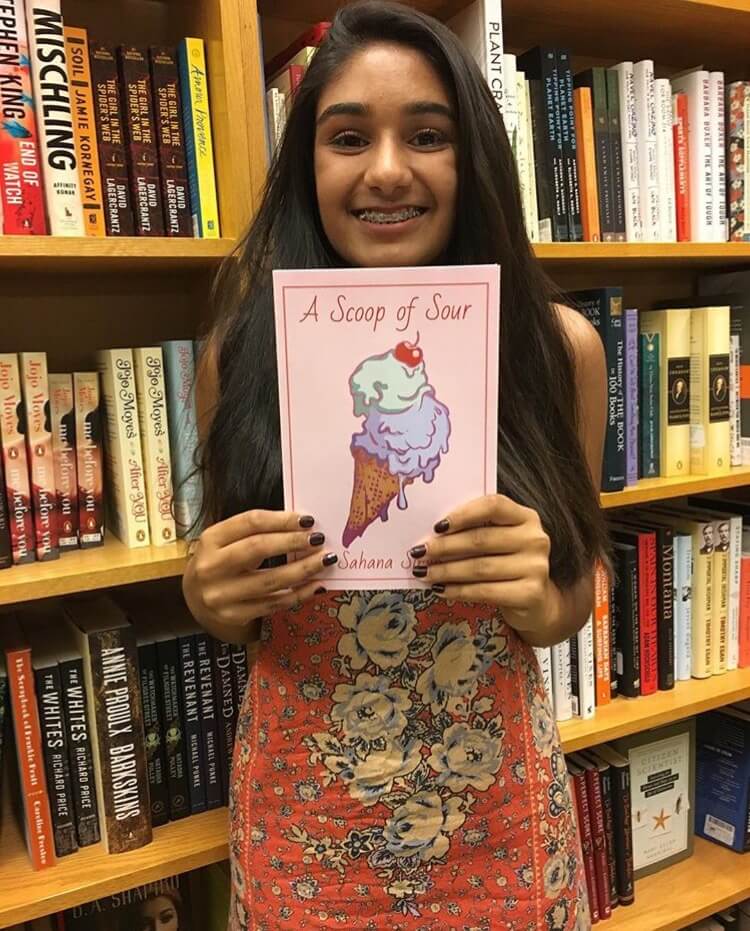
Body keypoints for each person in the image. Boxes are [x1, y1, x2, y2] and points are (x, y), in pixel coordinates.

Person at [183, 3, 607, 928]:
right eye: (347, 137)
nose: (385, 170)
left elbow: (576, 587)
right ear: (308, 167)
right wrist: (208, 597)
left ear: (477, 163)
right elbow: (232, 606)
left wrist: (543, 601)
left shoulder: (557, 349)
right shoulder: (238, 357)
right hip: (303, 816)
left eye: (427, 135)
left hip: (494, 810)